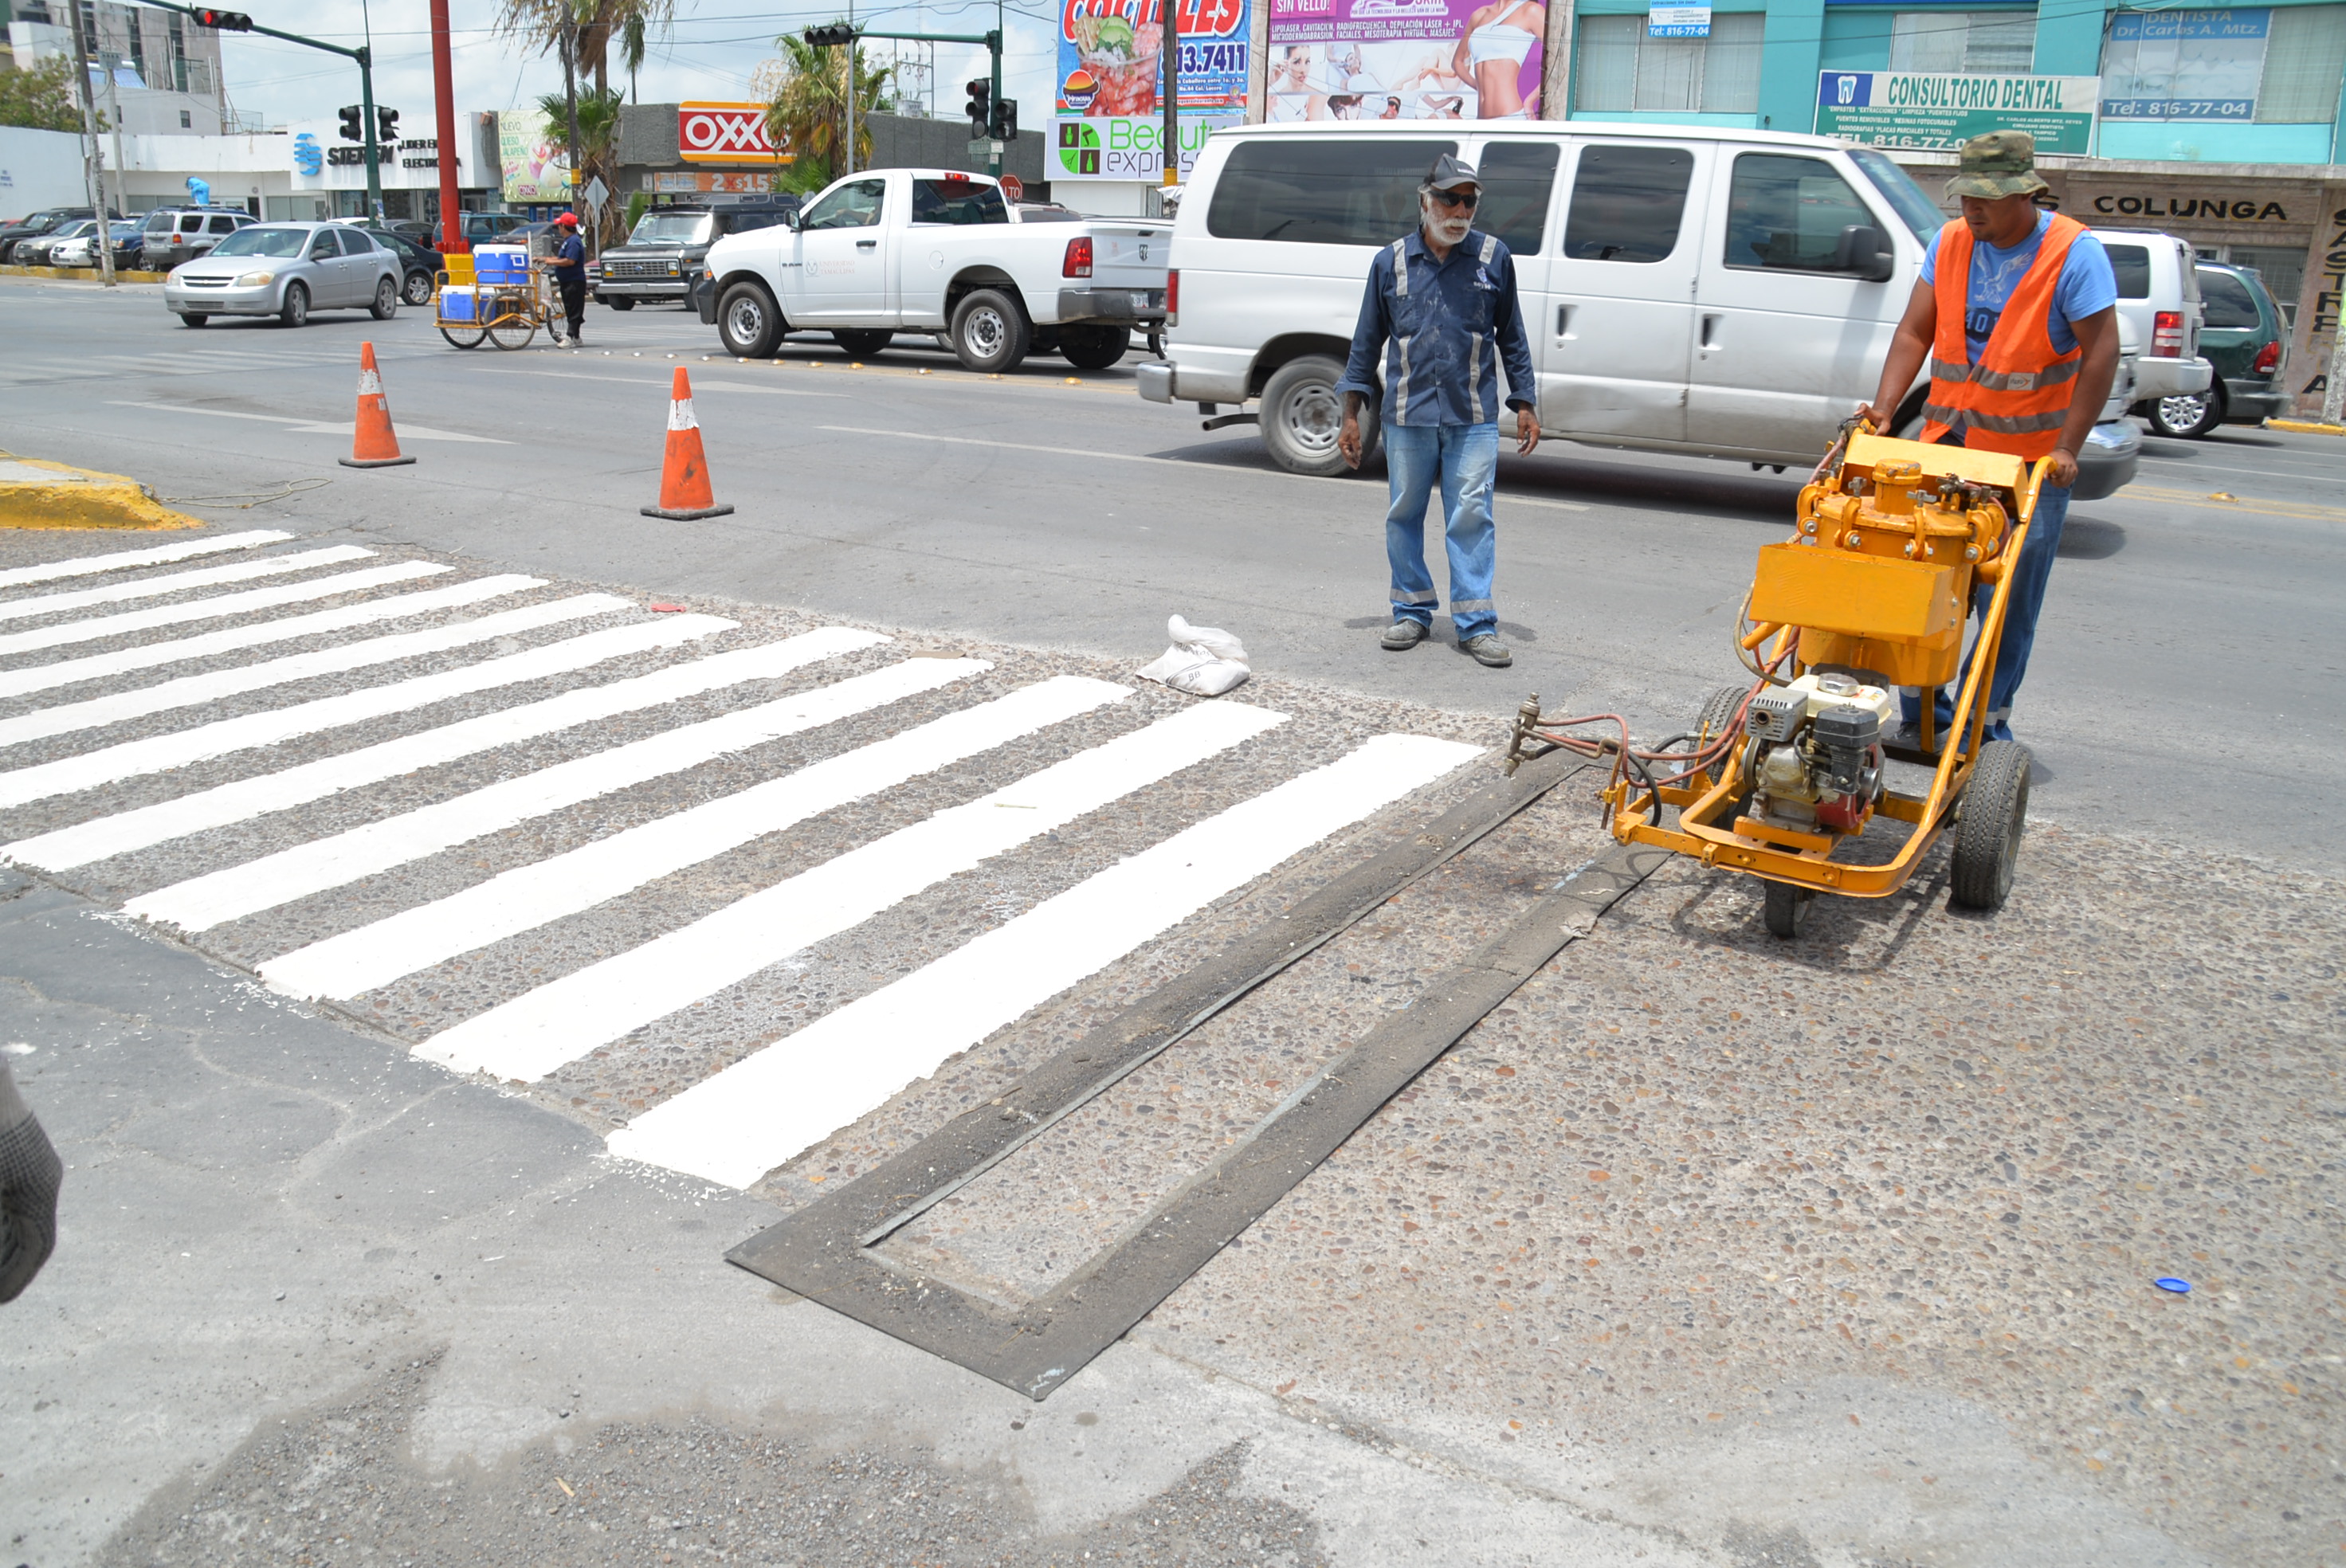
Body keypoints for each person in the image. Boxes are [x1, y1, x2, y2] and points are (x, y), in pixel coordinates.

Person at [1856, 131, 2120, 747]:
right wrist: (1886, 410)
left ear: (2027, 193)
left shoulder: (2072, 252)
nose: (1972, 210)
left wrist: (2068, 448)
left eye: (1988, 199)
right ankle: (1923, 718)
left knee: (2006, 597)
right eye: (1966, 197)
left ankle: (1983, 728)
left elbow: (2100, 352)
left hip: (2031, 460)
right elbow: (1914, 332)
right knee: (1922, 578)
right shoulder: (1949, 243)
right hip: (1949, 441)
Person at [1336, 153, 1540, 668]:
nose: (1460, 209)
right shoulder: (1391, 263)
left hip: (1472, 416)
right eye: (1450, 198)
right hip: (1407, 416)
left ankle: (1475, 624)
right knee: (1404, 513)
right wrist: (1350, 414)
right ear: (1425, 201)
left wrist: (1526, 401)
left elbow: (1512, 337)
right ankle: (1411, 609)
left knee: (1471, 515)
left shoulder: (1494, 258)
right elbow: (1366, 343)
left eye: (1469, 200)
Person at [542, 210, 588, 347]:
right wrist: (546, 259)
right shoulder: (568, 241)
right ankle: (577, 338)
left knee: (574, 310)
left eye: (560, 225)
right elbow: (562, 258)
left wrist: (551, 262)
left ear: (564, 227)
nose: (559, 228)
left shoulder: (574, 242)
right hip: (567, 280)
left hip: (574, 281)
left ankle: (569, 337)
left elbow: (569, 261)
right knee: (571, 309)